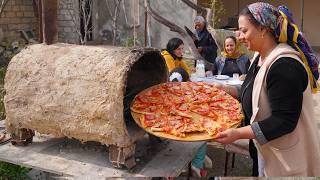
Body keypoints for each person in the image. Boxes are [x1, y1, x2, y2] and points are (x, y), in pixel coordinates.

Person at [212, 2, 320, 176]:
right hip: (266, 151)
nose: (239, 37)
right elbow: (255, 91)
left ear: (263, 29)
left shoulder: (284, 65)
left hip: (288, 159)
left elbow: (283, 121)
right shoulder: (259, 56)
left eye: (244, 30)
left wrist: (237, 133)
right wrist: (224, 89)